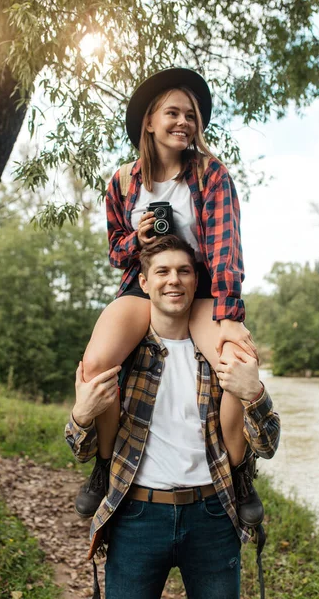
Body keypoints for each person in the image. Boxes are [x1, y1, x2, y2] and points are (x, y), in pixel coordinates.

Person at [75, 67, 258, 518]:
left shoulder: (210, 175)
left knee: (233, 361)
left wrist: (229, 311)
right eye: (172, 113)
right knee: (98, 363)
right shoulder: (122, 181)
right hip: (146, 285)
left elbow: (225, 246)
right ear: (150, 121)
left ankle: (240, 472)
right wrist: (135, 238)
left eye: (191, 116)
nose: (183, 123)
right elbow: (117, 252)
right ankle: (103, 465)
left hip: (202, 287)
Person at [66, 236, 280, 599]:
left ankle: (243, 481)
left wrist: (253, 393)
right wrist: (81, 415)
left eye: (184, 271)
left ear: (196, 280)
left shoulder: (221, 355)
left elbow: (269, 444)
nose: (174, 280)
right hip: (137, 515)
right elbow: (80, 450)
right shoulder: (125, 353)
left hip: (213, 513)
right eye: (162, 271)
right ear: (145, 283)